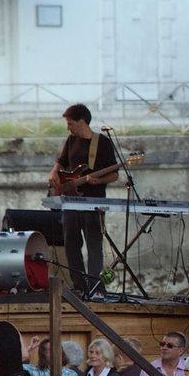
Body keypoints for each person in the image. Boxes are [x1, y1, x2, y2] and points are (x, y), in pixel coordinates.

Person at [46, 103, 119, 297]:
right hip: (70, 200)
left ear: (81, 122)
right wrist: (54, 172)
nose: (68, 127)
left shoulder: (102, 143)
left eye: (70, 123)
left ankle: (97, 288)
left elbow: (114, 175)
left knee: (94, 245)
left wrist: (98, 180)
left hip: (93, 201)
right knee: (71, 244)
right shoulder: (71, 140)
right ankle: (79, 287)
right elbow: (61, 162)